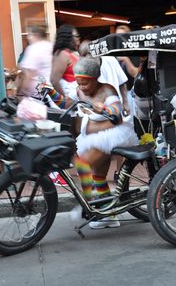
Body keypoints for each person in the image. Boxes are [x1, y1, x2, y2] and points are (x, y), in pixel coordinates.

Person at [70, 58, 138, 229]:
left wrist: (104, 110)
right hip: (91, 136)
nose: (82, 87)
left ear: (95, 79)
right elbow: (65, 102)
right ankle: (109, 214)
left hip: (110, 135)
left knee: (83, 165)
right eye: (79, 83)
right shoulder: (79, 90)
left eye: (85, 83)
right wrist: (49, 93)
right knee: (98, 176)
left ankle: (86, 204)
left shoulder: (107, 90)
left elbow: (116, 116)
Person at [17, 24, 53, 99]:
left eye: (29, 34)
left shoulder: (33, 48)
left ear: (35, 35)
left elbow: (29, 74)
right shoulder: (50, 46)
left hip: (37, 92)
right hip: (51, 90)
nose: (28, 37)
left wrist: (20, 92)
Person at [50, 24, 80, 96]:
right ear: (67, 38)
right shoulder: (62, 54)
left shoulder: (73, 53)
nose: (78, 38)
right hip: (70, 98)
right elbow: (54, 80)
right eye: (76, 36)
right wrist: (64, 100)